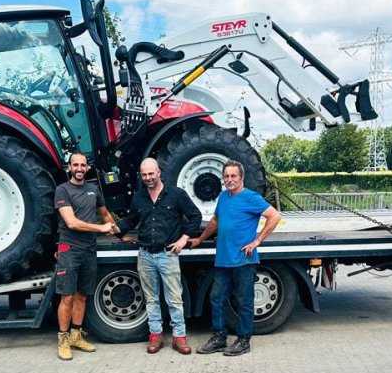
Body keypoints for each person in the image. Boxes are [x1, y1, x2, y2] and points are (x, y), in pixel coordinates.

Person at [190, 160, 281, 356]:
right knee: (217, 298)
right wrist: (200, 239)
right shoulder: (223, 197)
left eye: (233, 176)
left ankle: (244, 340)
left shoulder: (251, 197)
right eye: (226, 176)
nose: (229, 179)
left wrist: (257, 241)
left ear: (241, 178)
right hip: (223, 259)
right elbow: (215, 221)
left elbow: (274, 216)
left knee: (244, 302)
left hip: (243, 260)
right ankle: (219, 338)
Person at [115, 158, 202, 355]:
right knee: (151, 299)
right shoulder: (139, 198)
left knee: (174, 299)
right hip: (145, 255)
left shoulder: (176, 195)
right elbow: (131, 220)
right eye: (144, 175)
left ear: (158, 172)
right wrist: (118, 231)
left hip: (168, 254)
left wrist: (184, 239)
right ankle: (155, 336)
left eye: (151, 174)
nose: (148, 178)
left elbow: (195, 216)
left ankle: (179, 337)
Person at [54, 152, 116, 361]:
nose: (79, 169)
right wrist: (100, 228)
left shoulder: (93, 189)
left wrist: (117, 231)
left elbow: (105, 214)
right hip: (69, 249)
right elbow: (71, 222)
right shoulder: (62, 190)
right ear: (69, 167)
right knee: (67, 296)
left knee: (82, 295)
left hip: (89, 250)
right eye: (76, 165)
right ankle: (63, 340)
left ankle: (76, 336)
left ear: (87, 167)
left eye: (83, 165)